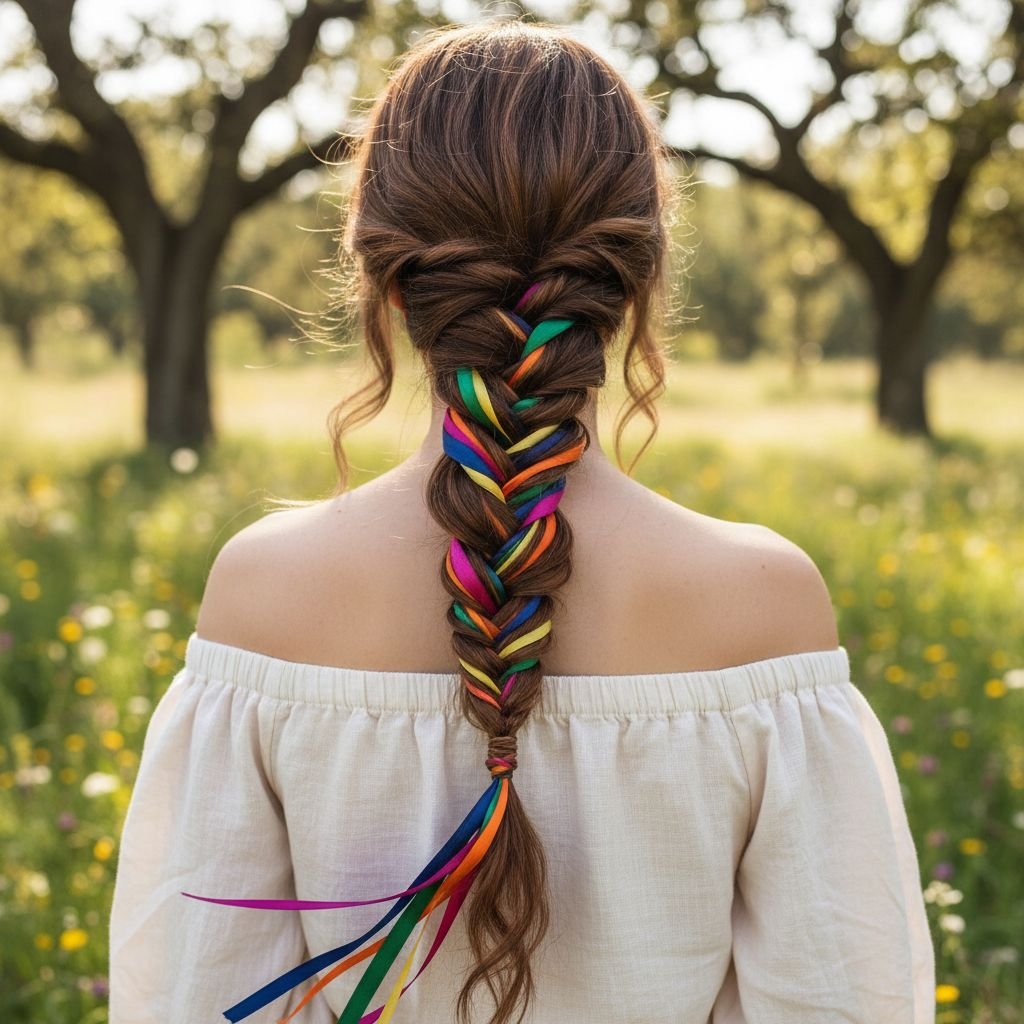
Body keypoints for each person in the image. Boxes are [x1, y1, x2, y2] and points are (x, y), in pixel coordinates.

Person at [107, 17, 936, 1024]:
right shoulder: (763, 602)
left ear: (377, 267)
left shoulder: (263, 593)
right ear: (639, 274)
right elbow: (841, 999)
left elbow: (199, 998)